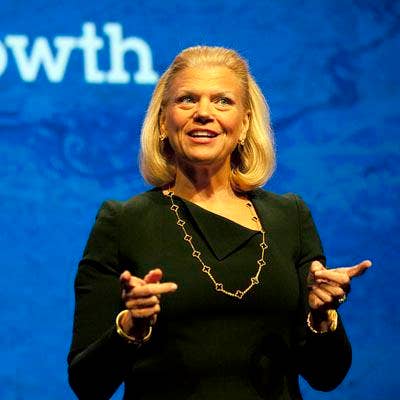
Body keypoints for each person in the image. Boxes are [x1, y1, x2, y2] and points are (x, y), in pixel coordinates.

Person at [68, 46, 372, 399]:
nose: (203, 113)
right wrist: (130, 327)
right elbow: (87, 383)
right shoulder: (122, 222)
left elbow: (327, 375)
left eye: (222, 101)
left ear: (244, 124)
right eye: (187, 99)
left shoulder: (290, 217)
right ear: (163, 122)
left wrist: (322, 318)